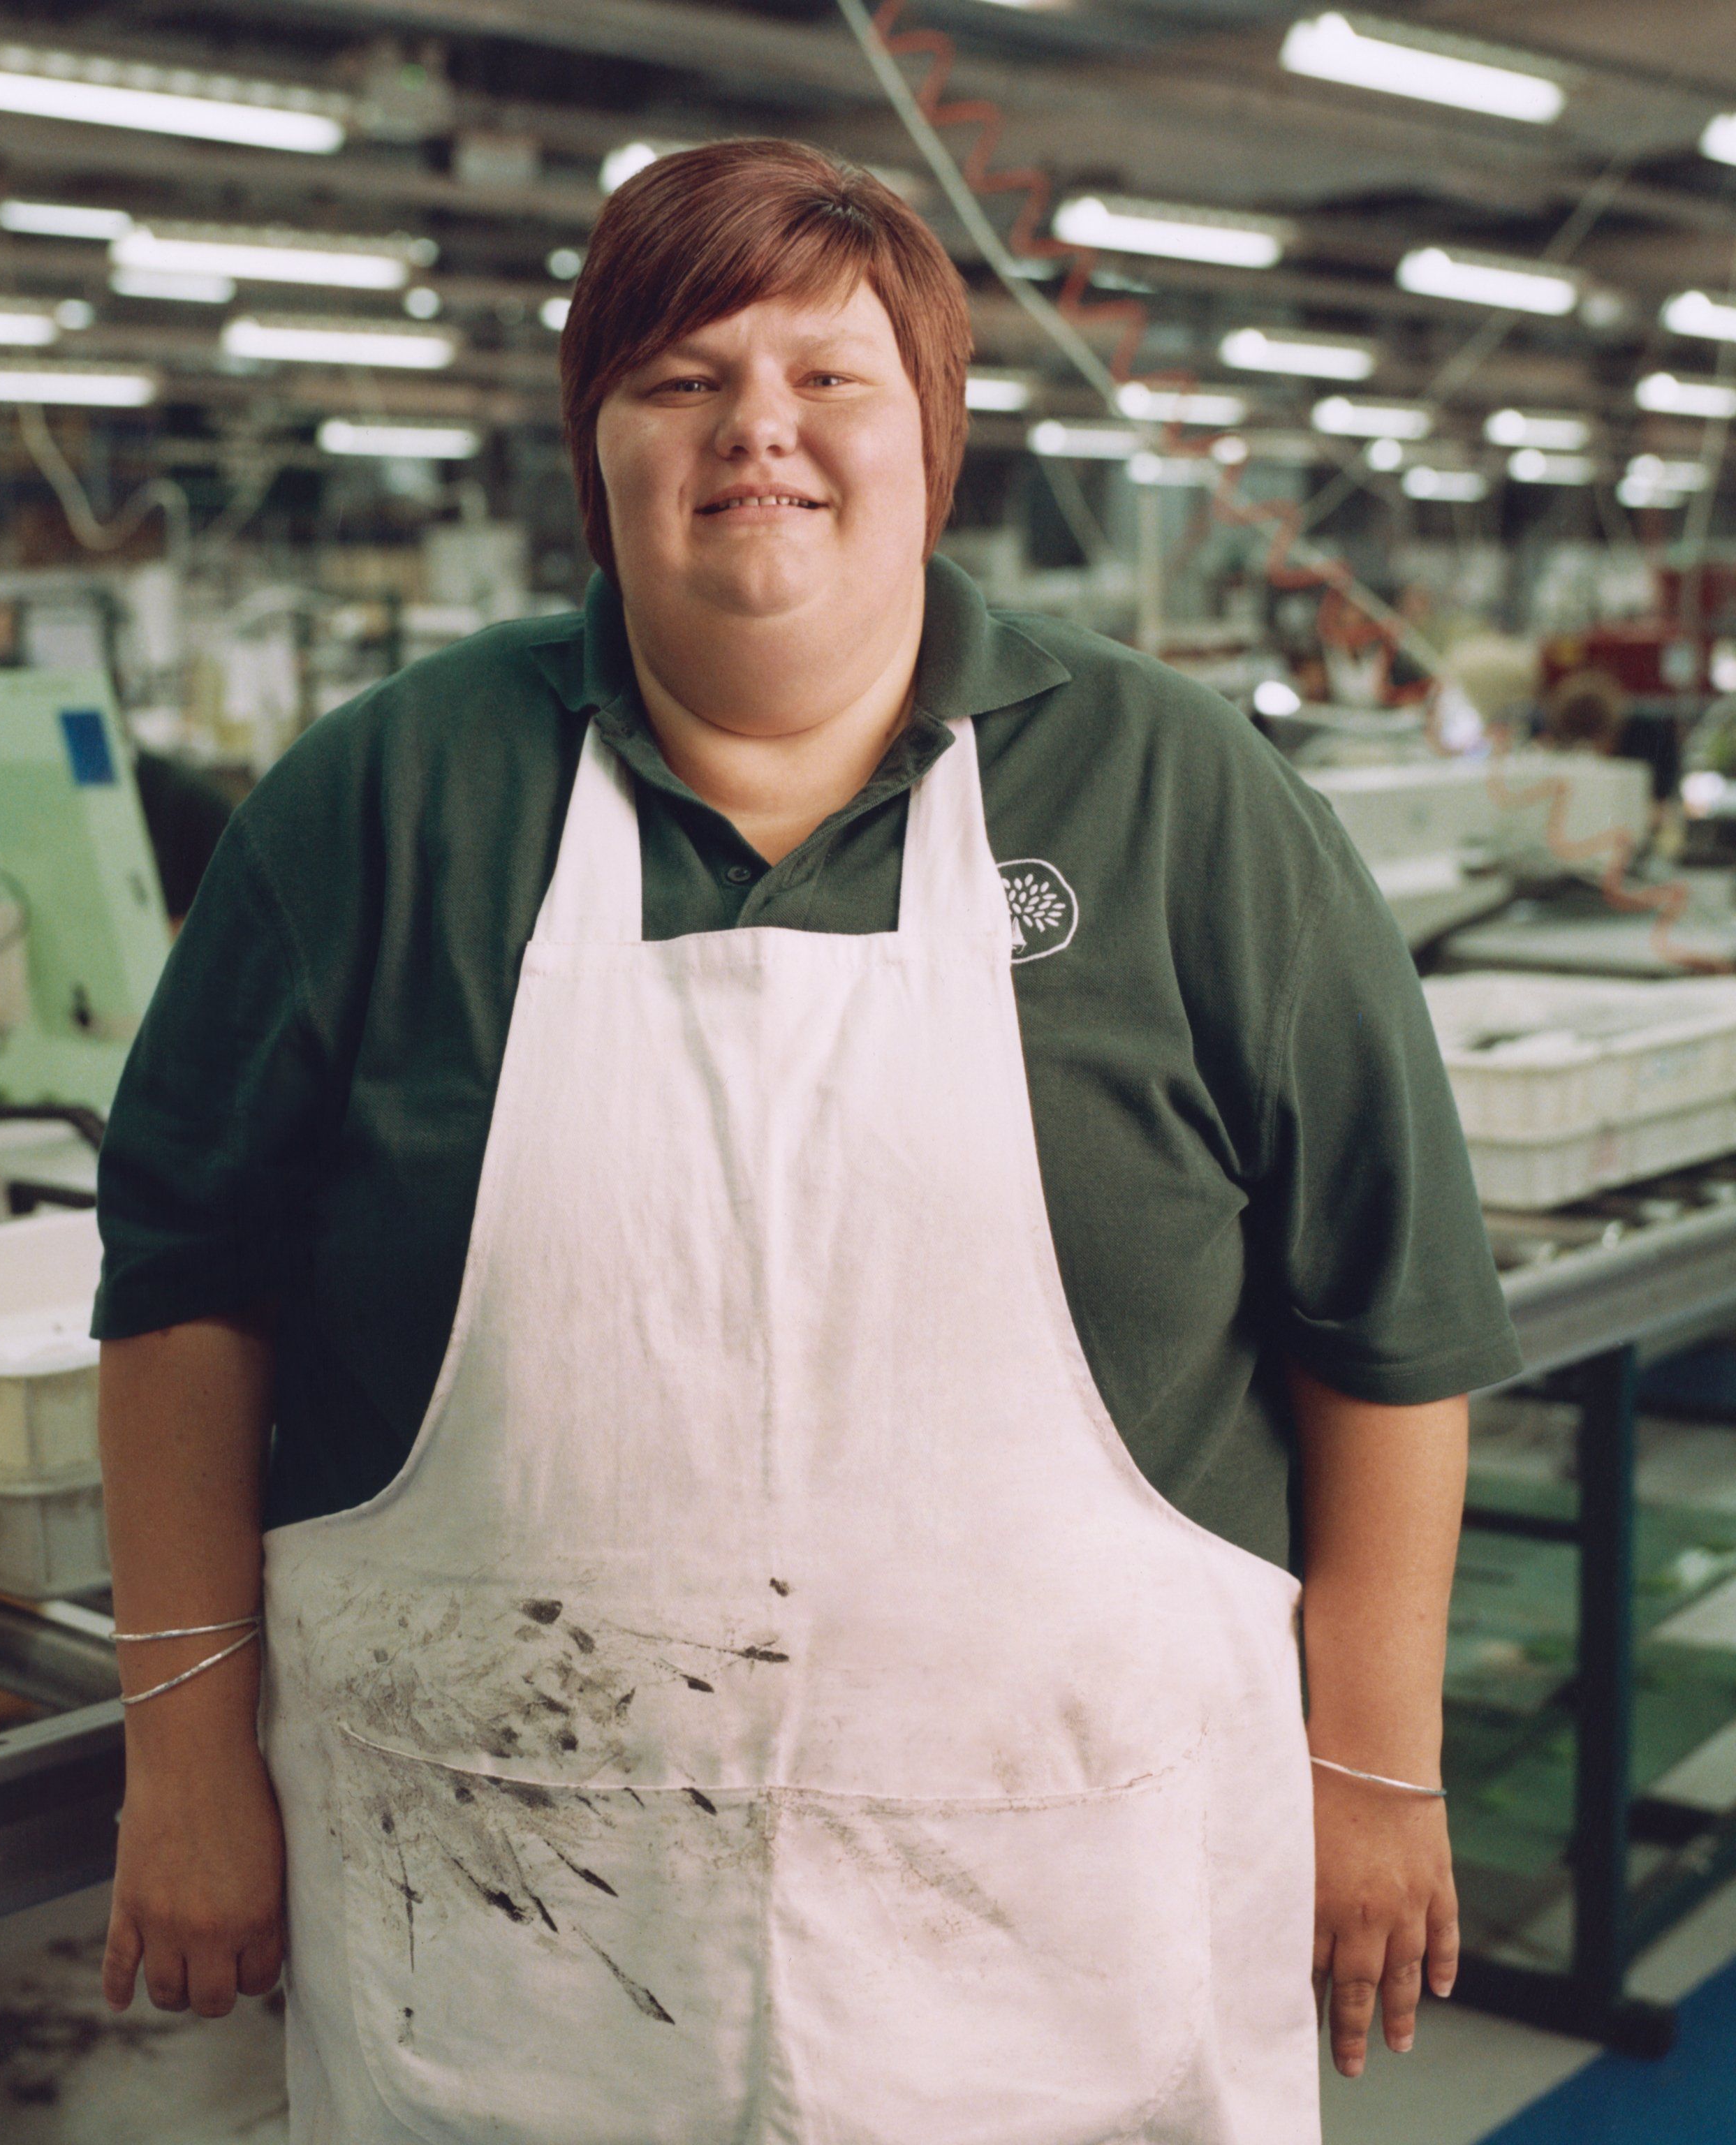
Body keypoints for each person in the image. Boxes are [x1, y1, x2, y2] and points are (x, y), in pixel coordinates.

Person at [87, 140, 1509, 2141]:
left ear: (936, 434)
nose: (760, 430)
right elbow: (180, 1295)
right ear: (595, 446)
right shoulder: (381, 809)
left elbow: (1388, 1322)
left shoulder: (1181, 802)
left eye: (829, 378)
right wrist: (186, 1760)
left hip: (1069, 1946)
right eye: (680, 380)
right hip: (516, 1962)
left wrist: (1372, 1775)